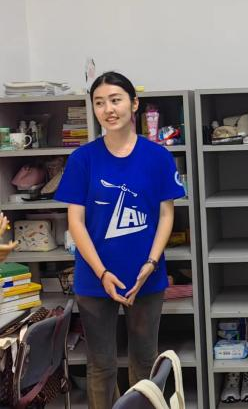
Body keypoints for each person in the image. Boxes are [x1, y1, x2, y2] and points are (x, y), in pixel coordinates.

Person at [55, 71, 185, 409]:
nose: (108, 109)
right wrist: (101, 272)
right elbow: (76, 222)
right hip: (94, 278)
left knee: (145, 362)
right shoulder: (82, 159)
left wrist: (151, 263)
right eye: (99, 103)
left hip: (146, 276)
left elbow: (166, 215)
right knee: (101, 365)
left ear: (134, 104)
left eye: (115, 100)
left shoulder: (157, 157)